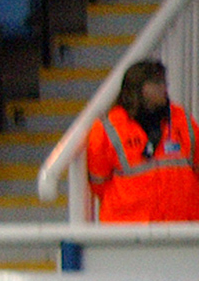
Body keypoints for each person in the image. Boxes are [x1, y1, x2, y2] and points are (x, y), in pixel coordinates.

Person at [85, 59, 199, 222]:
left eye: (163, 82)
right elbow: (99, 183)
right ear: (139, 89)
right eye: (157, 83)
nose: (164, 88)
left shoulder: (181, 119)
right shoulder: (108, 128)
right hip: (130, 231)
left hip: (180, 228)